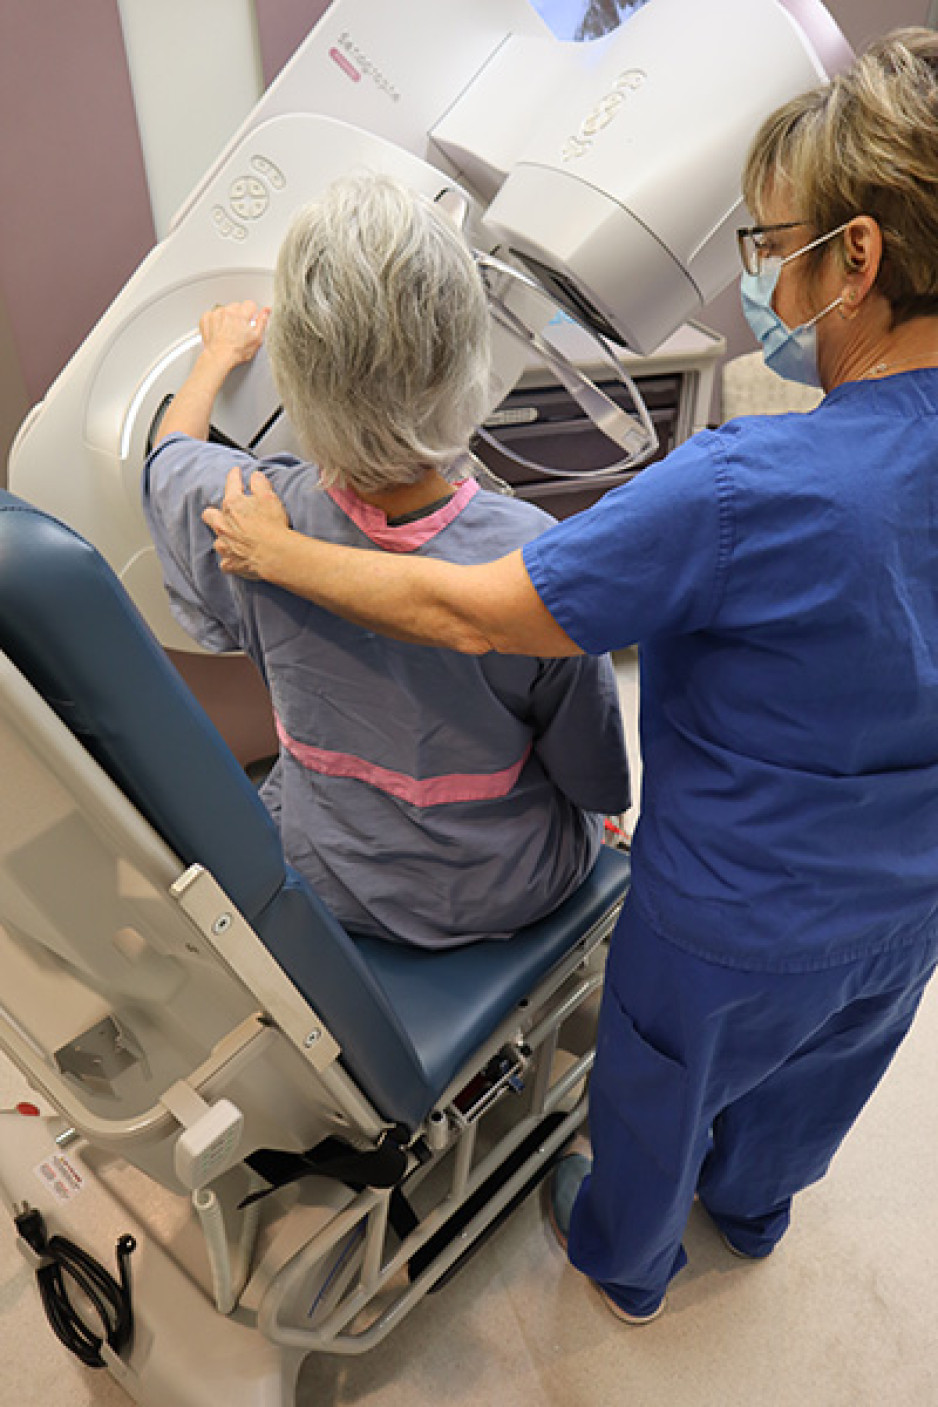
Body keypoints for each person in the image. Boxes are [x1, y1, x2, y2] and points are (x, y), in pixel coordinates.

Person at [202, 29, 938, 1323]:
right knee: (828, 1061)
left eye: (766, 250)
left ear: (858, 256)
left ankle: (624, 1259)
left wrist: (276, 548)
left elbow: (479, 613)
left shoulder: (741, 490)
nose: (754, 282)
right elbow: (583, 743)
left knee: (655, 1091)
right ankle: (754, 1206)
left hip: (733, 917)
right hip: (908, 894)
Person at [143, 173, 629, 949]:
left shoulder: (248, 514)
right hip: (507, 887)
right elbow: (596, 777)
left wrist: (216, 357)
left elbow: (168, 455)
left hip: (327, 873)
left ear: (299, 367)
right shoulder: (533, 553)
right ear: (465, 353)